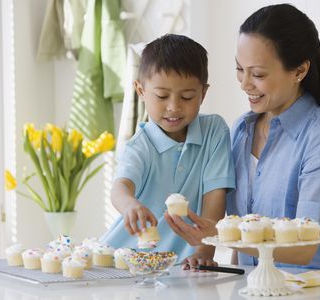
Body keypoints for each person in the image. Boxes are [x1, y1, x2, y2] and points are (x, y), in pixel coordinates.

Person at [165, 4, 320, 270]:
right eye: (239, 69)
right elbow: (241, 231)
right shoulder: (241, 130)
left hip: (307, 290)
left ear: (299, 71)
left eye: (258, 74)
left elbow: (306, 249)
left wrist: (218, 236)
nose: (244, 83)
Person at [100, 34, 236, 269]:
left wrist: (204, 250)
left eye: (187, 97)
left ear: (203, 94)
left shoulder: (214, 131)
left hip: (182, 266)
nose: (174, 107)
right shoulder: (140, 145)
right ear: (140, 90)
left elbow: (215, 195)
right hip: (124, 262)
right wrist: (130, 205)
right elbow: (120, 188)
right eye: (162, 96)